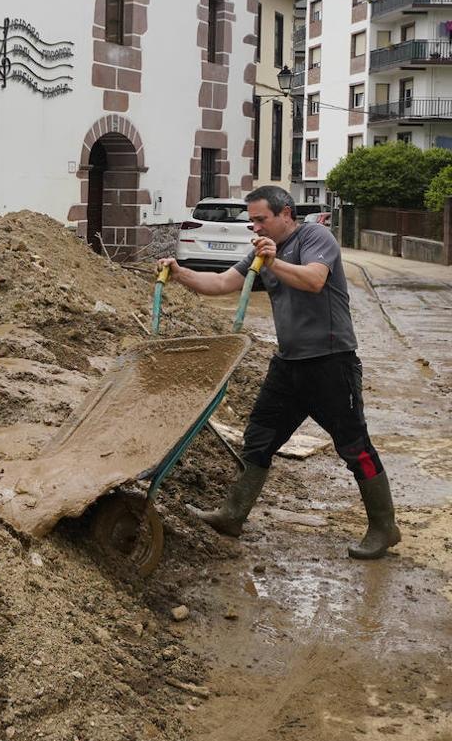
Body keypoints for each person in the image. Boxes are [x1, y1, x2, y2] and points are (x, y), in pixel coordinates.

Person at [157, 185, 400, 560]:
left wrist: (273, 262)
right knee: (259, 437)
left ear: (286, 213)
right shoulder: (262, 251)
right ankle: (233, 514)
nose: (254, 227)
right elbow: (222, 283)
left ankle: (384, 527)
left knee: (354, 446)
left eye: (261, 219)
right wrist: (180, 273)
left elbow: (315, 280)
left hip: (331, 363)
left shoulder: (315, 236)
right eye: (251, 220)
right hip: (288, 365)